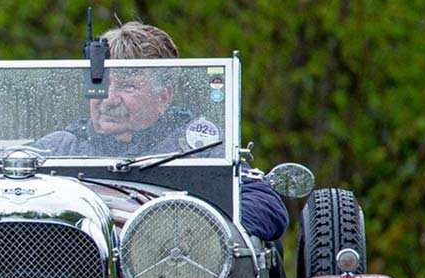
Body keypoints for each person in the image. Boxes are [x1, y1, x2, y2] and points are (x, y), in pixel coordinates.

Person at [36, 21, 288, 241]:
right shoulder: (60, 148)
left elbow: (265, 203)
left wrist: (195, 233)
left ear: (164, 96)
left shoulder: (195, 147)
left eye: (127, 86)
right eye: (100, 84)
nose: (109, 99)